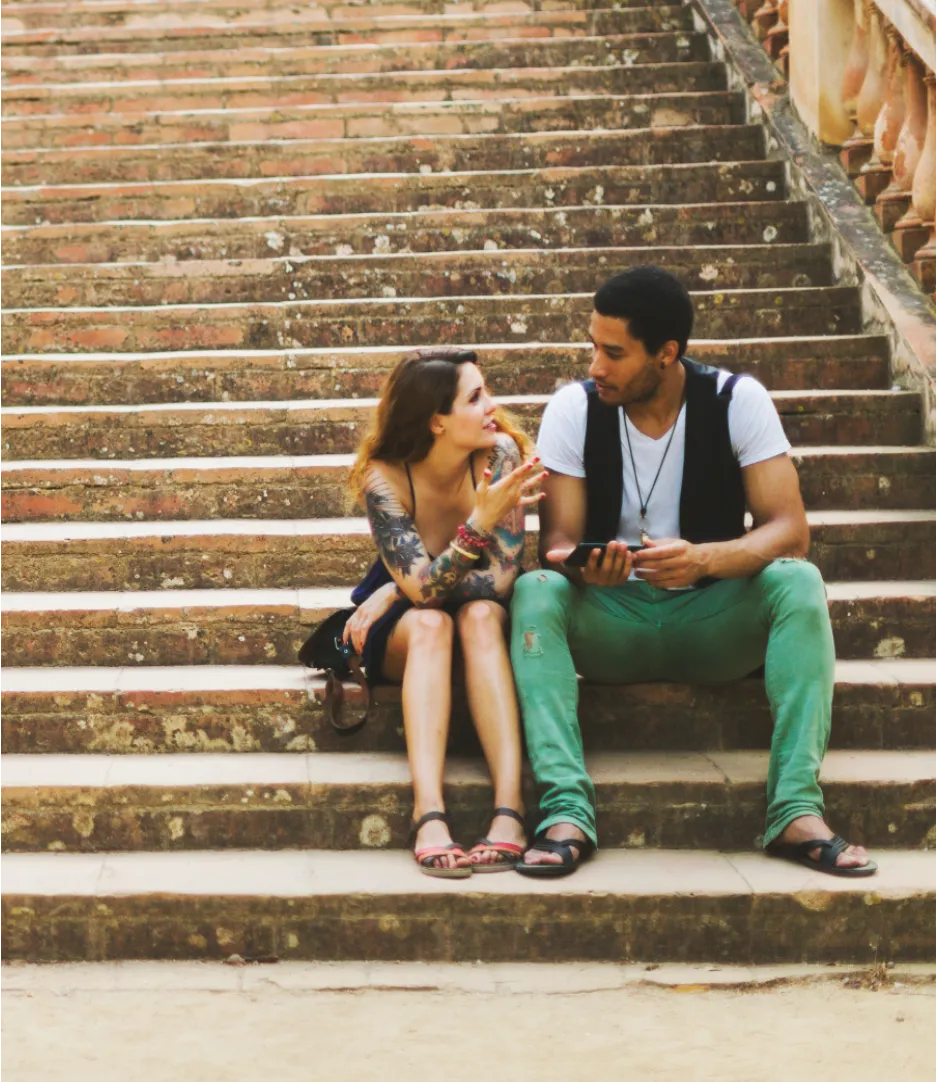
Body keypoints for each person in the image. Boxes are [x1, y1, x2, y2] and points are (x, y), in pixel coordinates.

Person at [508, 266, 877, 879]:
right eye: (593, 347)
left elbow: (790, 529)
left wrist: (705, 558)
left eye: (614, 352)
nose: (595, 365)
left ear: (666, 353)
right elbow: (558, 540)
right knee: (533, 591)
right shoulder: (573, 408)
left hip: (712, 621)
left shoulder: (737, 400)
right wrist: (585, 568)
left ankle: (794, 810)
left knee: (799, 582)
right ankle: (566, 811)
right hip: (612, 624)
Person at [345, 347, 545, 877]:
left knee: (479, 614)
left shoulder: (500, 455)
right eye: (476, 397)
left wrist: (398, 588)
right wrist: (476, 526)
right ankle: (428, 815)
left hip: (469, 615)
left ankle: (510, 813)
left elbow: (501, 582)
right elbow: (427, 600)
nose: (493, 407)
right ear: (436, 421)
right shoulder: (384, 479)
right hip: (413, 634)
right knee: (432, 623)